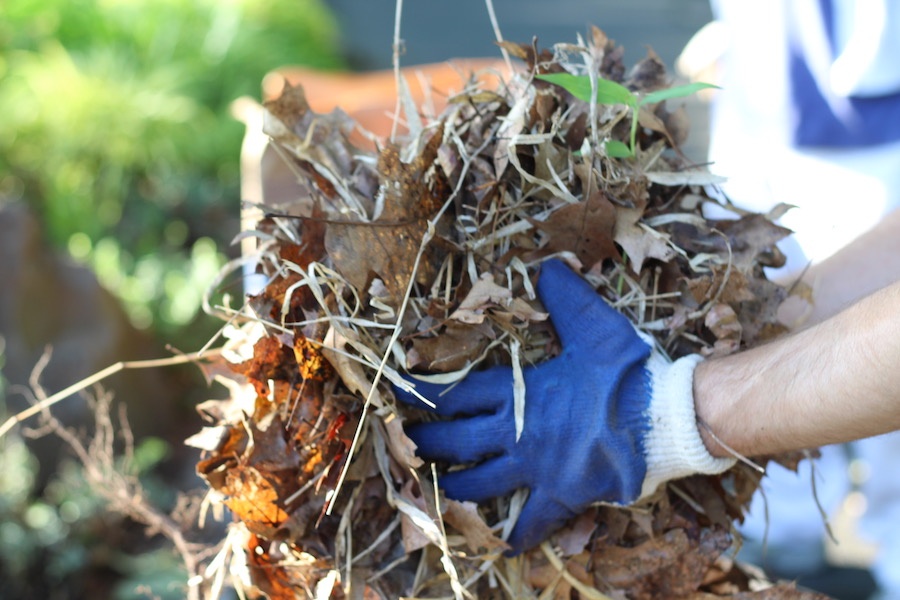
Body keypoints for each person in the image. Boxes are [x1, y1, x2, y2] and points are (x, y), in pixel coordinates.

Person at [693, 1, 900, 594]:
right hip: (767, 95)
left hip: (877, 129)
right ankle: (780, 545)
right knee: (756, 311)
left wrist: (687, 414)